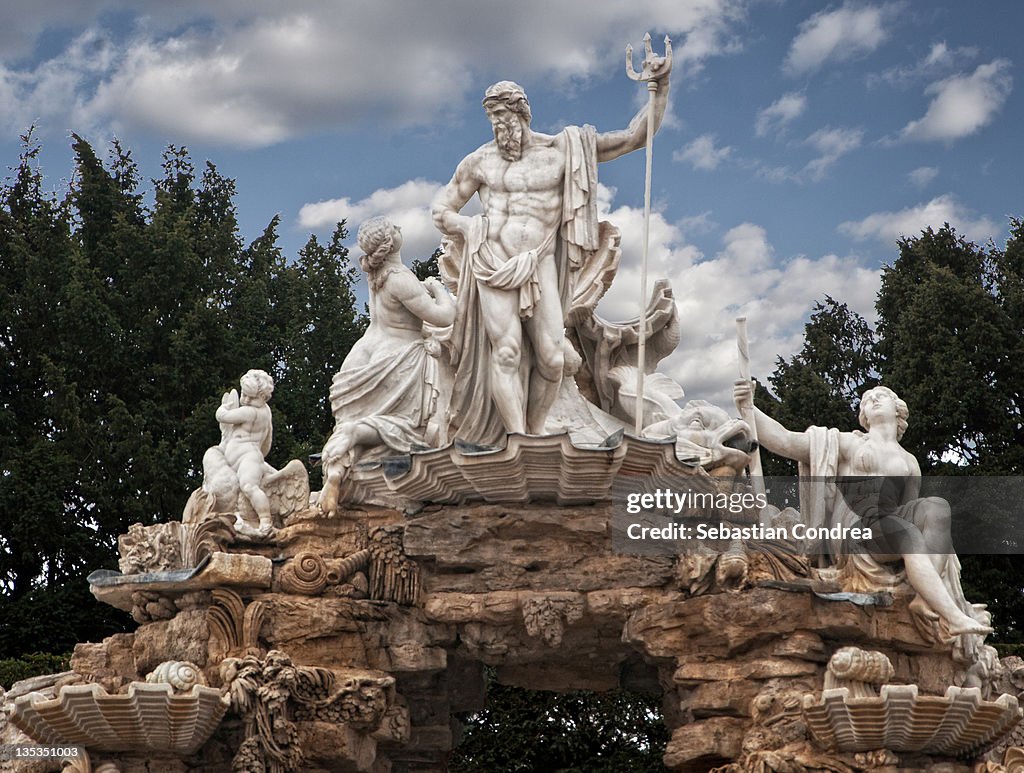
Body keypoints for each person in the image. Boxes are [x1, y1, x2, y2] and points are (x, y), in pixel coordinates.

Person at [432, 69, 670, 443]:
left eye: (503, 116)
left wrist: (660, 88)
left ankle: (537, 427)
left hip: (540, 261)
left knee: (553, 358)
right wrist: (465, 228)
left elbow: (634, 138)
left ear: (523, 113)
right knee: (507, 352)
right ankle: (517, 437)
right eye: (492, 118)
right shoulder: (479, 162)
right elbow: (441, 210)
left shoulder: (563, 150)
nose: (498, 125)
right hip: (492, 262)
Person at [733, 380, 991, 637]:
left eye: (881, 395)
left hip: (888, 526)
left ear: (898, 409)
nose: (873, 400)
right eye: (867, 400)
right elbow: (786, 442)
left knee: (937, 507)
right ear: (863, 416)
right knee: (907, 533)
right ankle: (954, 618)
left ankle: (925, 598)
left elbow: (910, 508)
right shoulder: (850, 444)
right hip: (858, 528)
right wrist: (749, 408)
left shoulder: (910, 462)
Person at [318, 217, 456, 515]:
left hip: (361, 358)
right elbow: (443, 318)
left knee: (357, 427)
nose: (401, 228)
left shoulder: (376, 275)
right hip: (395, 360)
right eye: (396, 228)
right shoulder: (398, 277)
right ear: (391, 242)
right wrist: (437, 288)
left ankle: (336, 470)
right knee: (399, 427)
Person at [206, 369, 276, 533]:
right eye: (244, 395)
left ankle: (266, 520)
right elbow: (268, 440)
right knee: (248, 487)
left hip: (247, 457)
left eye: (251, 398)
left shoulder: (249, 412)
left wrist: (223, 408)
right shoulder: (266, 412)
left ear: (264, 397)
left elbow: (223, 417)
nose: (244, 400)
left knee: (249, 486)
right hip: (250, 456)